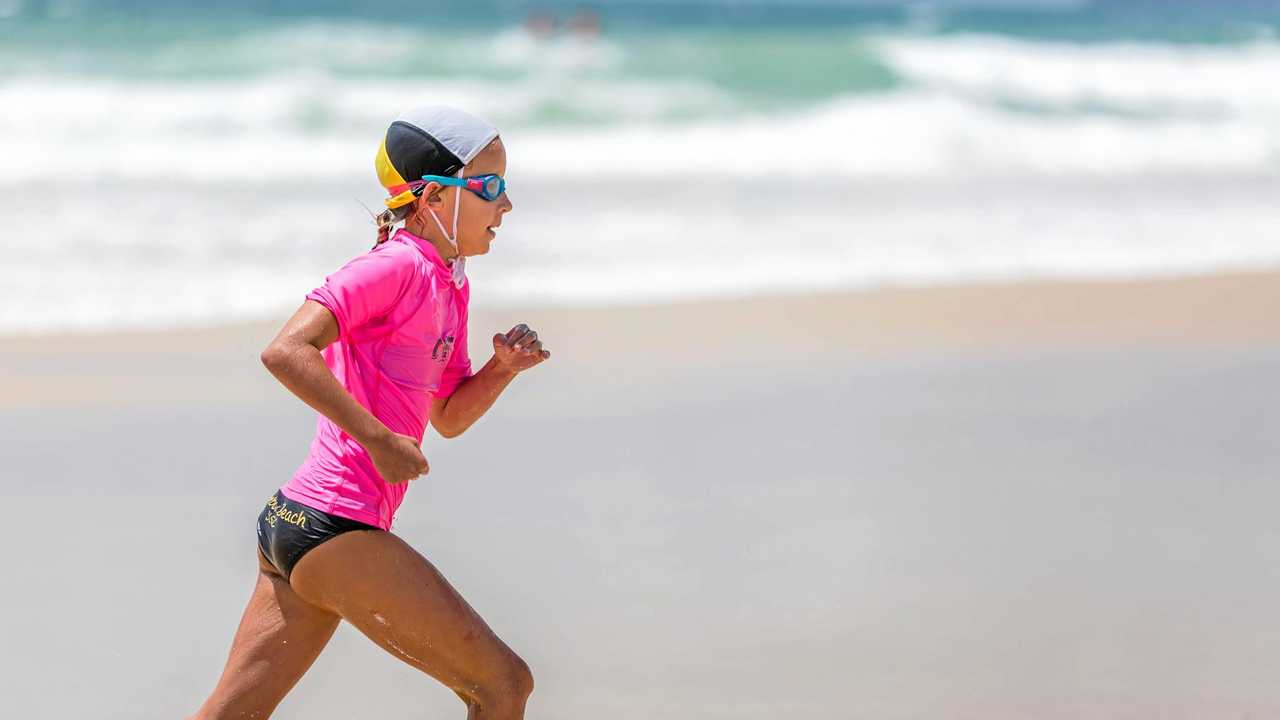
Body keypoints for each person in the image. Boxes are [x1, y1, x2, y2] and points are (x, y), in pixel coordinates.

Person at [191, 106, 548, 720]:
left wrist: (500, 372)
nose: (506, 205)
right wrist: (379, 438)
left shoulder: (449, 282)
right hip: (335, 526)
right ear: (436, 196)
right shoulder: (395, 265)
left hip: (297, 526)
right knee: (504, 685)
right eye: (490, 187)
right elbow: (285, 351)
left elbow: (450, 417)